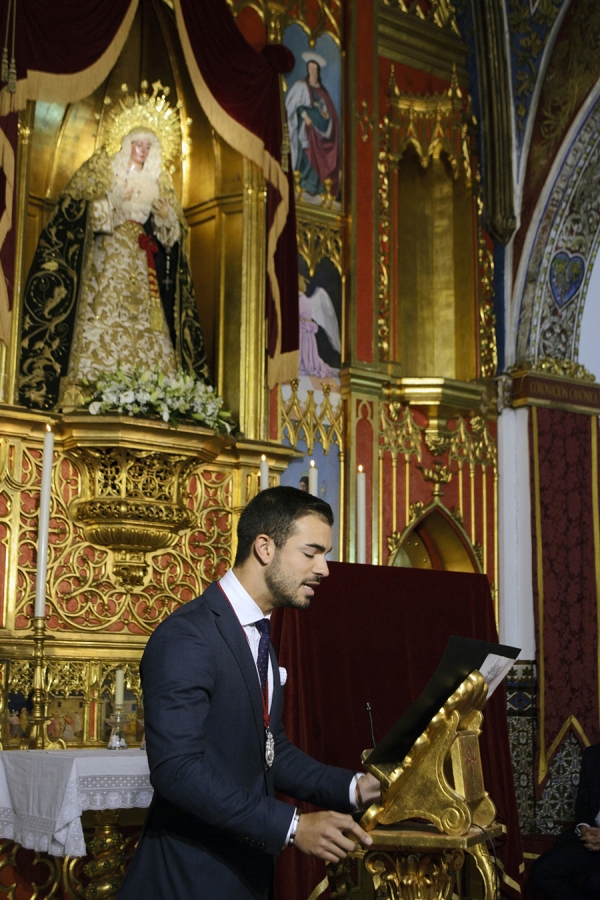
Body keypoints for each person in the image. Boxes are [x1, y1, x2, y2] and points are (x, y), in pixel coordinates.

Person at [118, 486, 380, 900]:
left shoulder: (259, 634)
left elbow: (270, 750)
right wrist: (292, 826)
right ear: (264, 547)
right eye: (311, 552)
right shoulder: (188, 636)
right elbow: (177, 771)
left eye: (324, 554)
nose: (324, 569)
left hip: (244, 873)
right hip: (188, 878)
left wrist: (354, 787)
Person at [18, 88, 210, 411]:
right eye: (138, 143)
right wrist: (113, 205)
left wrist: (165, 220)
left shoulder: (159, 183)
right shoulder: (103, 172)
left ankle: (152, 397)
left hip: (142, 260)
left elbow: (171, 240)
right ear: (125, 141)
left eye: (149, 146)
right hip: (108, 257)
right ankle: (91, 385)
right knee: (102, 312)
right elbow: (76, 217)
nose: (142, 151)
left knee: (149, 325)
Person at [530, 742, 600, 899]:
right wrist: (584, 828)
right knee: (542, 871)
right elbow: (583, 803)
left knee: (595, 882)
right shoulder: (593, 754)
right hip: (592, 839)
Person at [286, 53, 340, 199]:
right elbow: (294, 107)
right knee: (308, 151)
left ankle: (318, 187)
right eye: (311, 69)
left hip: (320, 128)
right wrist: (305, 116)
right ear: (308, 70)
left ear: (318, 71)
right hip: (306, 125)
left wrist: (326, 116)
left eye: (315, 69)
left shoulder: (323, 91)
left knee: (320, 153)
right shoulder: (301, 86)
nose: (313, 72)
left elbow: (330, 113)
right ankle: (305, 183)